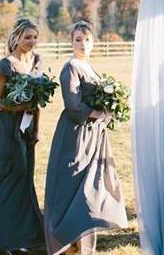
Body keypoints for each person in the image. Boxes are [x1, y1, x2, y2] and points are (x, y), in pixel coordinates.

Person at [44, 21, 127, 255]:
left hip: (94, 134)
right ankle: (65, 240)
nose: (82, 44)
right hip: (76, 135)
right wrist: (99, 113)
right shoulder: (71, 66)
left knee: (91, 186)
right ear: (71, 42)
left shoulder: (89, 67)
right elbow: (73, 105)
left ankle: (83, 242)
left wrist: (112, 108)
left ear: (93, 42)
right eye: (78, 39)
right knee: (71, 184)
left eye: (87, 39)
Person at [0, 18, 44, 254]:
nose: (32, 41)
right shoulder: (6, 64)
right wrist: (18, 106)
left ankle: (25, 234)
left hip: (27, 131)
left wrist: (36, 129)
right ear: (16, 37)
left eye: (35, 37)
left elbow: (39, 102)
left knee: (25, 179)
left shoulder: (37, 62)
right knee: (10, 179)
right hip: (9, 130)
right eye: (28, 37)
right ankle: (5, 236)